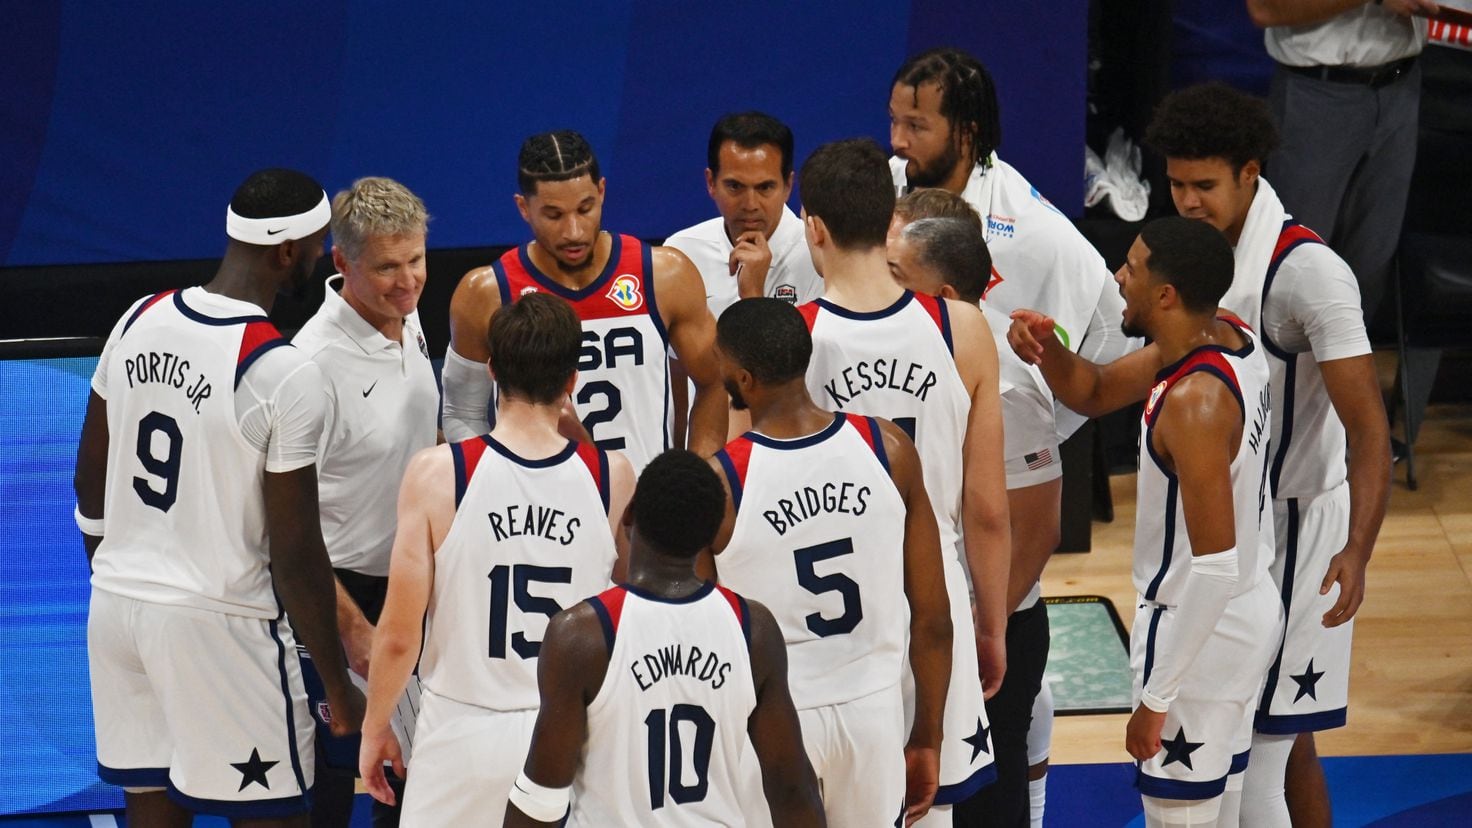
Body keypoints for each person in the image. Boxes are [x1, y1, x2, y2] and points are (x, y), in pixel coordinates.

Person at [73, 168, 363, 825]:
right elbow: (294, 553)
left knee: (151, 807)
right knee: (278, 811)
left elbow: (89, 478)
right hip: (220, 624)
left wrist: (113, 567)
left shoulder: (136, 319)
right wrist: (339, 687)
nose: (320, 259)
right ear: (288, 251)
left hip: (117, 609)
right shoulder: (280, 370)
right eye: (317, 246)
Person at [1144, 82, 1392, 828]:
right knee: (1282, 743)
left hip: (1296, 533)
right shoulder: (1183, 256)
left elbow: (1369, 426)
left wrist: (1358, 548)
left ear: (1251, 173)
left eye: (1205, 185)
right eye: (1176, 183)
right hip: (1231, 532)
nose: (1188, 201)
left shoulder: (1310, 275)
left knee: (1269, 749)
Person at [1009, 217, 1284, 828]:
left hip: (1201, 623)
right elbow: (1098, 389)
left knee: (1179, 817)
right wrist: (1049, 349)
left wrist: (1156, 700)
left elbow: (1214, 566)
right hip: (1247, 613)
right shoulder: (1227, 336)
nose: (1118, 277)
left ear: (1166, 295)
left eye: (1131, 268)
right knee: (1229, 808)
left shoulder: (1195, 403)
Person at [794, 138, 1008, 825]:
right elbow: (987, 509)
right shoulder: (963, 327)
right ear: (892, 217)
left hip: (825, 616)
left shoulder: (790, 341)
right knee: (929, 808)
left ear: (814, 228)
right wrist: (993, 624)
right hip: (934, 601)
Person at [359, 293, 634, 824]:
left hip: (461, 731)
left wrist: (376, 727)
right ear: (572, 380)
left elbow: (397, 633)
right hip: (567, 736)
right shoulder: (612, 476)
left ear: (490, 370)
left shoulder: (437, 474)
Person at [709, 297, 953, 826]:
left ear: (742, 379)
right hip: (871, 710)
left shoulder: (721, 482)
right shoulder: (888, 447)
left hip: (769, 720)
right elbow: (934, 619)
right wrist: (928, 737)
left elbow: (703, 629)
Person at [504, 449, 826, 827]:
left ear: (628, 514)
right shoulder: (753, 629)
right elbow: (792, 790)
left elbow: (542, 799)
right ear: (709, 535)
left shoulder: (581, 636)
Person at [886, 203, 1059, 828]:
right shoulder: (916, 355)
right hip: (939, 626)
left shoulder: (1008, 383)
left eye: (897, 275)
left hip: (995, 627)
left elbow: (1036, 528)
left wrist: (975, 625)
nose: (884, 287)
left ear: (947, 295)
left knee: (989, 803)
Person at [887, 46, 1134, 443]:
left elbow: (1115, 325)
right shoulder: (887, 184)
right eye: (894, 121)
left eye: (916, 126)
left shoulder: (1030, 230)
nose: (897, 141)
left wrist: (1047, 433)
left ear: (966, 132)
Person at [440, 130, 727, 469]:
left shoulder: (663, 274)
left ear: (602, 192)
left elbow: (713, 382)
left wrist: (697, 480)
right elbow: (463, 412)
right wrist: (496, 487)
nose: (574, 231)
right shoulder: (485, 293)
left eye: (585, 208)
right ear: (523, 208)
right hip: (544, 511)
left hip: (647, 509)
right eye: (554, 215)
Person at [290, 176, 439, 826]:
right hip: (340, 595)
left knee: (407, 774)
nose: (407, 281)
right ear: (342, 262)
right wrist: (351, 628)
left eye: (417, 261)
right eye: (387, 267)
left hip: (413, 586)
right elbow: (284, 522)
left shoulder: (409, 317)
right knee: (335, 772)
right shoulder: (309, 369)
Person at [1247, 0, 1436, 327]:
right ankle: (1277, 375)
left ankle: (1343, 374)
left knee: (1370, 264)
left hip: (1402, 82)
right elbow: (1266, 9)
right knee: (1296, 262)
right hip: (1317, 91)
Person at [665, 111, 823, 315]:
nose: (750, 204)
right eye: (735, 186)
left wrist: (753, 296)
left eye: (765, 187)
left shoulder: (819, 258)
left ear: (788, 186)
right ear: (711, 182)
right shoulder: (681, 254)